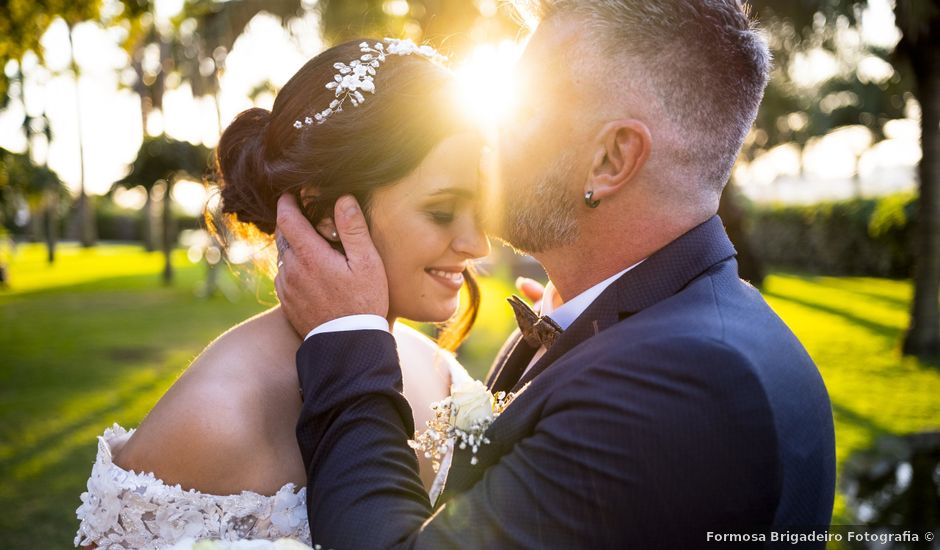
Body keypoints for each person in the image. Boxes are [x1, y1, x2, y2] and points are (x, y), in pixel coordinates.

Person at [273, 1, 837, 548]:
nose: (489, 133)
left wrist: (346, 336)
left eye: (521, 113)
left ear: (612, 159)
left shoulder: (684, 387)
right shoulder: (633, 325)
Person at [74, 38, 489, 549]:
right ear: (325, 213)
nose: (477, 244)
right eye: (443, 211)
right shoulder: (214, 418)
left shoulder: (442, 371)